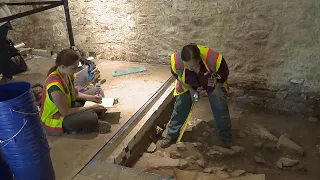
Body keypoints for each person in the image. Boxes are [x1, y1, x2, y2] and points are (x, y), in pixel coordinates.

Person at [159, 44, 233, 148]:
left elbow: (224, 75)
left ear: (199, 59)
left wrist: (216, 89)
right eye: (186, 66)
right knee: (180, 106)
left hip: (213, 82)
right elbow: (178, 76)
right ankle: (171, 136)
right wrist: (191, 90)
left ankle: (226, 139)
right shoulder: (176, 62)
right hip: (188, 83)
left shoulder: (214, 60)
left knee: (220, 106)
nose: (189, 68)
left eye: (193, 66)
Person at [40, 49, 111, 136]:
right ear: (62, 67)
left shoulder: (67, 74)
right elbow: (65, 112)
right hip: (58, 118)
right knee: (91, 116)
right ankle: (92, 121)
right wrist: (91, 107)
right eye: (74, 68)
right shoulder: (55, 87)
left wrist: (92, 98)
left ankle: (90, 117)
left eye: (77, 66)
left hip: (70, 105)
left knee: (97, 90)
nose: (77, 70)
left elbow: (75, 94)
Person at [0, 0, 13, 84]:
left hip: (2, 23)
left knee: (1, 49)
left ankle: (7, 75)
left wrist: (9, 18)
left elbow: (2, 1)